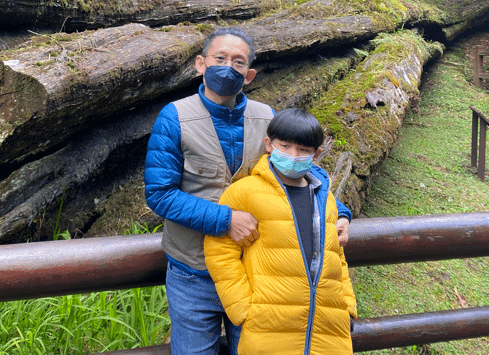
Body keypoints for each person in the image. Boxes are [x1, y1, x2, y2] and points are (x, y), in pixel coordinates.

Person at [144, 28, 352, 355]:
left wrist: (338, 211)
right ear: (201, 64)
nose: (228, 67)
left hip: (256, 271)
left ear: (249, 74)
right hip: (192, 272)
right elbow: (159, 194)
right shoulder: (175, 117)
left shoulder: (265, 116)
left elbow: (295, 172)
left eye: (238, 62)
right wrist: (225, 219)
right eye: (220, 59)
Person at [203, 108, 356, 355]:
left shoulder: (324, 198)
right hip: (267, 325)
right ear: (268, 144)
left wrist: (347, 305)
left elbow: (336, 255)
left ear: (316, 154)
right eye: (284, 146)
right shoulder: (244, 192)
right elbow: (219, 251)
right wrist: (243, 308)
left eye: (303, 151)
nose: (293, 156)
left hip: (327, 326)